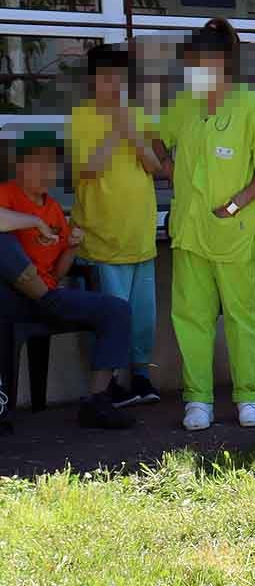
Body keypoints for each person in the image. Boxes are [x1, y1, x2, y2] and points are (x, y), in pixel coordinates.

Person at [162, 18, 255, 431]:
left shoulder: (251, 104)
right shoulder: (184, 103)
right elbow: (155, 138)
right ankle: (197, 400)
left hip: (236, 233)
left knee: (240, 317)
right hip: (190, 231)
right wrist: (169, 170)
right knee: (191, 318)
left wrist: (233, 206)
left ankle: (249, 396)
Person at [0, 130, 135, 428]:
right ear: (21, 166)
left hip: (48, 296)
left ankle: (97, 402)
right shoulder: (7, 193)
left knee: (117, 310)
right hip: (10, 296)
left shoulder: (55, 212)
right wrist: (32, 221)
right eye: (38, 163)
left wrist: (72, 247)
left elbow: (58, 273)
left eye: (51, 165)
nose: (47, 171)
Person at [67, 43, 164, 406]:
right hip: (102, 238)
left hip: (140, 234)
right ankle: (107, 386)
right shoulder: (81, 117)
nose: (113, 83)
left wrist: (131, 129)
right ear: (93, 80)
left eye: (119, 76)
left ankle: (141, 377)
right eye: (106, 76)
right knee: (111, 315)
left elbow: (155, 166)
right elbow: (86, 169)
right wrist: (115, 130)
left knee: (142, 316)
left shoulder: (137, 113)